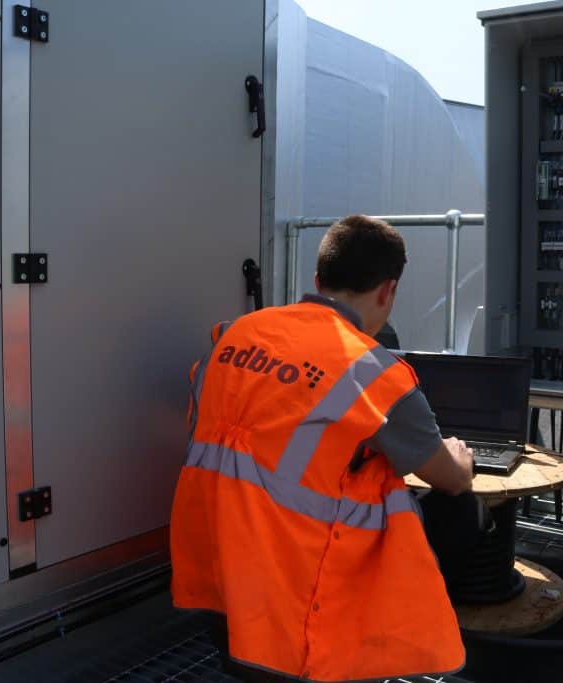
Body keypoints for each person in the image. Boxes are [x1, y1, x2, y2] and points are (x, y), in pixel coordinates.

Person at [170, 214, 474, 682]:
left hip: (217, 571)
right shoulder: (374, 372)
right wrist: (459, 456)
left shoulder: (234, 335)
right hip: (297, 595)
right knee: (460, 511)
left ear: (316, 280)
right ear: (388, 290)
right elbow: (448, 479)